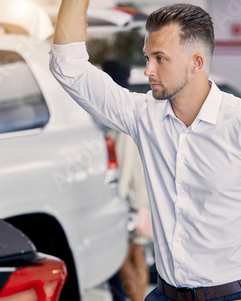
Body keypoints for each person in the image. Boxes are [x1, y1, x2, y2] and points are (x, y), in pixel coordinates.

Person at [49, 0, 241, 301]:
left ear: (197, 62)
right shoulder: (144, 116)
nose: (147, 71)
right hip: (164, 294)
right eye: (147, 57)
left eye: (160, 59)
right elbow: (67, 66)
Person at [103, 60, 153, 301]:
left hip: (128, 201)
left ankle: (136, 300)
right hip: (140, 198)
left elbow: (124, 168)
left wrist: (117, 202)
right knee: (136, 253)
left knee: (121, 256)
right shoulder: (134, 111)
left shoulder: (120, 119)